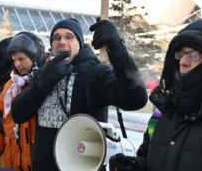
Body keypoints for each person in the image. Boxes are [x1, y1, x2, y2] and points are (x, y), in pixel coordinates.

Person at [109, 18, 202, 171]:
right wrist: (135, 166)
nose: (183, 61)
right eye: (181, 54)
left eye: (195, 55)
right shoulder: (164, 113)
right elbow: (148, 158)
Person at [11, 18, 148, 171]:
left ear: (80, 43)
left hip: (84, 164)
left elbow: (136, 99)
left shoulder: (96, 72)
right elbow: (18, 113)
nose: (62, 41)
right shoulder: (43, 72)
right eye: (57, 37)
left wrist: (118, 50)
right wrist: (42, 84)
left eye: (69, 37)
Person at [0, 32, 46, 171]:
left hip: (39, 162)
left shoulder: (46, 82)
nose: (17, 64)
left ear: (35, 57)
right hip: (13, 162)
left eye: (22, 59)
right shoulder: (10, 86)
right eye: (14, 60)